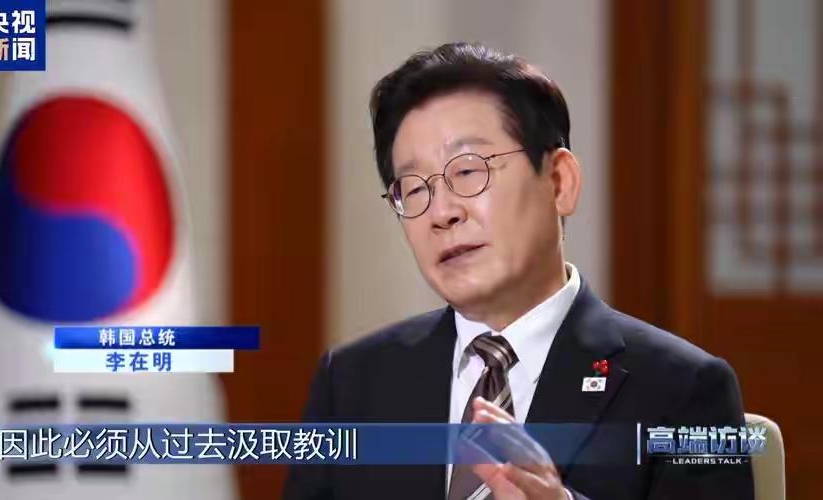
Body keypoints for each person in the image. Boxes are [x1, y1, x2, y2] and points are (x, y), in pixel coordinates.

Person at [283, 42, 754, 500]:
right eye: (414, 188)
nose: (442, 212)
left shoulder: (685, 390)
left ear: (559, 183)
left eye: (468, 171)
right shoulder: (351, 383)